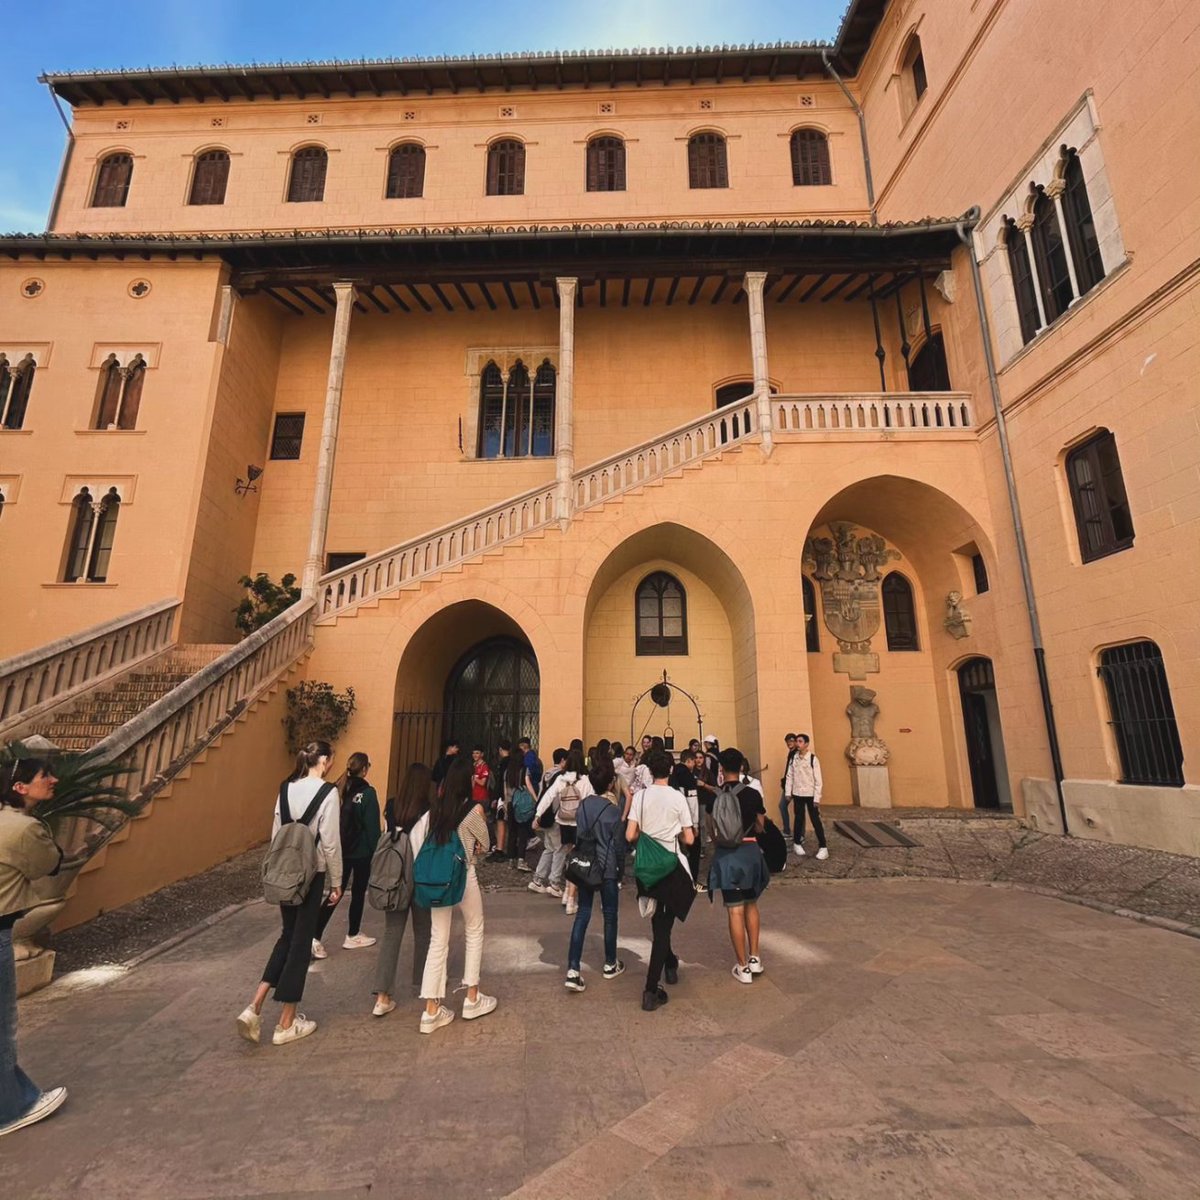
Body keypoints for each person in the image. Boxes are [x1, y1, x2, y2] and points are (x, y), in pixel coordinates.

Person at [238, 741, 342, 1046]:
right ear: (323, 760)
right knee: (301, 943)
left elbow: (276, 835)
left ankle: (254, 1005)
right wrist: (336, 882)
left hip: (285, 872)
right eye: (331, 759)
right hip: (312, 872)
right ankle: (286, 1021)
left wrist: (276, 871)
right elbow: (331, 843)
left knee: (288, 935)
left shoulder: (285, 789)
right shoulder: (328, 792)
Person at [0, 758, 67, 1137]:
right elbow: (51, 864)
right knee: (1, 1027)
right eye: (45, 776)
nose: (53, 780)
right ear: (21, 787)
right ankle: (12, 1109)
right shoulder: (24, 828)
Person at [418, 759, 497, 1033]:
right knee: (474, 929)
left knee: (437, 939)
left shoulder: (435, 810)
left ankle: (430, 1010)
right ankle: (472, 996)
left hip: (438, 878)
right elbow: (485, 845)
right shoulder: (473, 809)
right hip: (464, 873)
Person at [626, 748, 695, 1012]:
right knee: (663, 927)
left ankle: (670, 962)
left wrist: (648, 833)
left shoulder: (641, 796)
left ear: (651, 771)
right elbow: (689, 839)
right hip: (670, 866)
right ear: (672, 770)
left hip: (647, 866)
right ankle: (650, 989)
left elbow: (630, 834)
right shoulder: (677, 798)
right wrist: (672, 835)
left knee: (659, 923)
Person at [371, 763, 435, 1016]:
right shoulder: (428, 810)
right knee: (423, 932)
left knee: (391, 934)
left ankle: (382, 995)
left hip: (394, 875)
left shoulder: (392, 806)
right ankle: (423, 983)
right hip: (417, 875)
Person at [708, 748, 770, 984]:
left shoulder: (714, 796)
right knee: (751, 904)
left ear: (721, 769)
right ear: (742, 767)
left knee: (735, 910)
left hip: (727, 857)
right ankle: (755, 957)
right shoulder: (753, 794)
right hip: (750, 853)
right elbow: (760, 825)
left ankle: (742, 966)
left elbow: (711, 829)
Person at [564, 758, 626, 992]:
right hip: (607, 866)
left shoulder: (583, 806)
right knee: (610, 915)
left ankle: (573, 967)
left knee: (583, 913)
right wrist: (620, 872)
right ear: (610, 784)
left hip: (585, 864)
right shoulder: (613, 811)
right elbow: (618, 845)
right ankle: (610, 962)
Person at [312, 751, 380, 957]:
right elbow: (372, 828)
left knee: (336, 891)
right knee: (358, 893)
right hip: (360, 852)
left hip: (340, 849)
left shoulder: (337, 789)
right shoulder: (367, 794)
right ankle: (352, 933)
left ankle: (314, 934)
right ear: (365, 769)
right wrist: (375, 851)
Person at [533, 746, 593, 914]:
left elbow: (548, 797)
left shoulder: (561, 779)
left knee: (568, 856)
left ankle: (567, 891)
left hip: (563, 822)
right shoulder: (585, 781)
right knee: (576, 859)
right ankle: (570, 896)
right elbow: (590, 801)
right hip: (579, 823)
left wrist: (537, 816)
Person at [528, 748, 567, 898]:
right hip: (555, 816)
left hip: (544, 815)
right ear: (563, 760)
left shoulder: (547, 773)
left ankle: (537, 880)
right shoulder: (561, 776)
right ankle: (554, 883)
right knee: (559, 849)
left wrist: (539, 814)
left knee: (549, 848)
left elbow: (541, 792)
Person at [786, 733, 828, 860]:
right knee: (798, 818)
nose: (797, 744)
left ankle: (823, 846)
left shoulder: (813, 759)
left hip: (810, 794)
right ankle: (797, 843)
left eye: (800, 741)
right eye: (797, 741)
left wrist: (817, 797)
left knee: (815, 820)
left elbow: (818, 779)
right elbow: (790, 775)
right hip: (798, 793)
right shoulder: (794, 758)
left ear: (806, 744)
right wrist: (788, 792)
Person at [669, 748, 703, 889]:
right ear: (688, 761)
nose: (695, 765)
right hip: (687, 819)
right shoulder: (689, 777)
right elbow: (692, 801)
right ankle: (692, 881)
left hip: (673, 819)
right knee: (694, 851)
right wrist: (694, 824)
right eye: (693, 762)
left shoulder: (672, 775)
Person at [503, 749, 533, 873]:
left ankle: (511, 860)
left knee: (512, 832)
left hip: (510, 804)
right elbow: (528, 785)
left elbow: (505, 789)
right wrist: (536, 799)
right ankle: (521, 859)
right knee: (523, 833)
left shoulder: (507, 772)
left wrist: (505, 804)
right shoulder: (524, 770)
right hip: (521, 805)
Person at [487, 740, 511, 862]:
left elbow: (500, 782)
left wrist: (495, 797)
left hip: (503, 796)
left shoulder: (503, 763)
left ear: (501, 750)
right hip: (511, 796)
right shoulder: (513, 761)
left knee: (500, 821)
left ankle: (500, 848)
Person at [778, 733, 798, 838]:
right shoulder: (791, 753)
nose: (789, 743)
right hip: (788, 784)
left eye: (791, 741)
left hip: (795, 785)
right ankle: (787, 830)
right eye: (787, 741)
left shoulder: (796, 754)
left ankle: (798, 834)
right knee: (783, 806)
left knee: (798, 810)